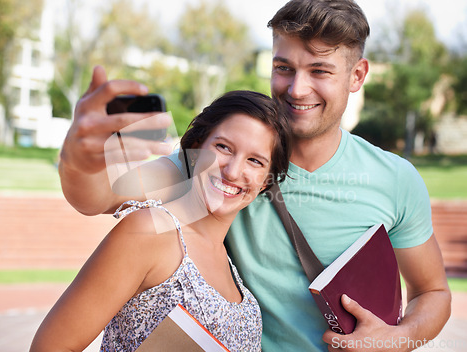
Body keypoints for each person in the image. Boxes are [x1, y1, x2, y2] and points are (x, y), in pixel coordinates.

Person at [56, 0, 451, 351]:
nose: (297, 88)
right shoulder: (221, 165)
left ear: (357, 76)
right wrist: (81, 156)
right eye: (284, 68)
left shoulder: (396, 179)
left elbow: (432, 292)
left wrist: (397, 340)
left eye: (319, 71)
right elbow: (97, 197)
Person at [30, 90, 292, 352]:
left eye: (255, 161)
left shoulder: (229, 261)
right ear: (196, 148)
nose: (233, 171)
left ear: (265, 182)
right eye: (223, 147)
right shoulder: (150, 230)